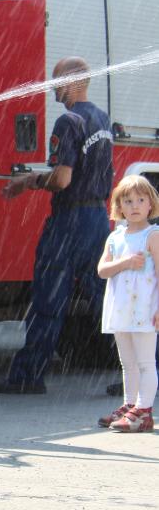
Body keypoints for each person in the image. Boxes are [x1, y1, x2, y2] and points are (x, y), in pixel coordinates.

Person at [0, 56, 114, 394]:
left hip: (70, 220)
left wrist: (29, 180)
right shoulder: (101, 119)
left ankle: (29, 375)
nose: (51, 87)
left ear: (75, 80)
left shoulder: (68, 122)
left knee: (49, 298)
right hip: (97, 220)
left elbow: (61, 179)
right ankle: (143, 372)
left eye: (56, 79)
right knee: (108, 299)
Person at [95, 175, 159, 433]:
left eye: (140, 200)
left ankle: (144, 410)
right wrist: (125, 263)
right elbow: (102, 270)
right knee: (127, 362)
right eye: (128, 201)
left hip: (144, 308)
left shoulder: (152, 235)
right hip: (122, 309)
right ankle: (129, 404)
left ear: (150, 204)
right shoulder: (115, 237)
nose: (134, 206)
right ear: (119, 205)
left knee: (145, 362)